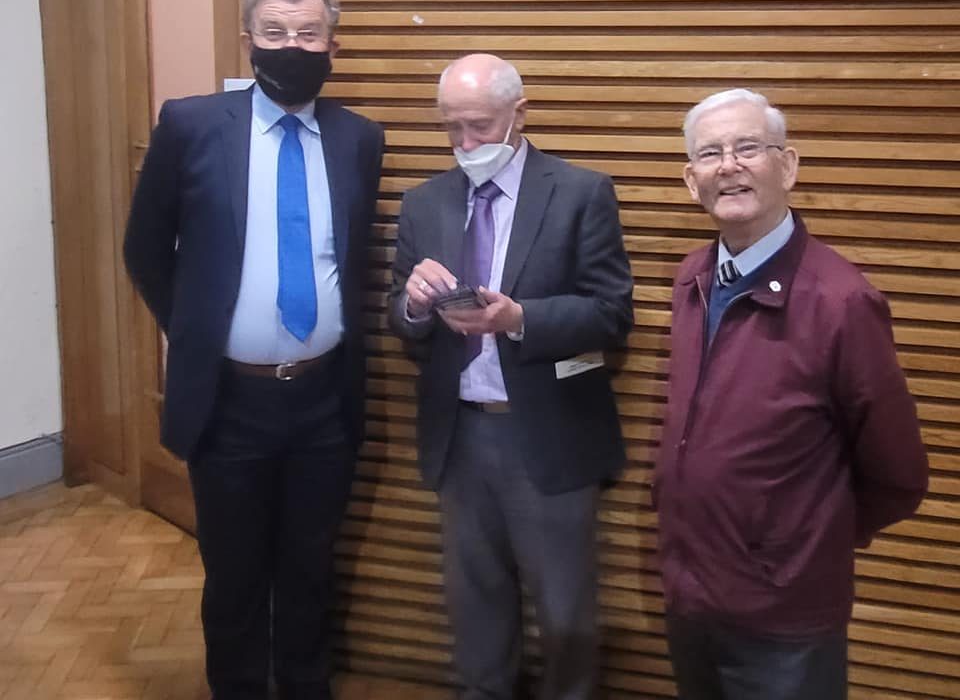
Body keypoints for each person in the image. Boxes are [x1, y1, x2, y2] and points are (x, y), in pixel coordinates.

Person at [123, 0, 384, 700]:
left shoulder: (361, 139)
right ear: (249, 41)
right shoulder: (191, 124)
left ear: (332, 44)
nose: (291, 45)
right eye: (275, 31)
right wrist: (201, 334)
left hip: (325, 399)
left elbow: (353, 256)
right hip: (229, 402)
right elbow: (144, 249)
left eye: (308, 33)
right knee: (234, 574)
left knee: (310, 566)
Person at [654, 88, 928, 700]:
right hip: (692, 597)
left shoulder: (841, 302)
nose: (729, 166)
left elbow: (899, 474)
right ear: (690, 180)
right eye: (710, 154)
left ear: (789, 165)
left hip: (785, 622)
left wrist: (797, 544)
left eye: (748, 147)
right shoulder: (691, 278)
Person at [388, 53, 633, 700]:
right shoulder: (424, 204)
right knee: (475, 610)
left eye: (480, 126)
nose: (466, 144)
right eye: (452, 129)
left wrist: (521, 318)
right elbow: (401, 318)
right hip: (461, 438)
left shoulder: (581, 193)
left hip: (550, 436)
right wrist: (413, 305)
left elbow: (612, 315)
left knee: (565, 616)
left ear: (520, 113)